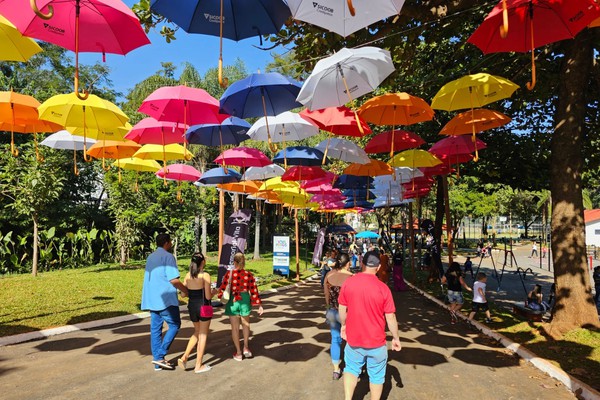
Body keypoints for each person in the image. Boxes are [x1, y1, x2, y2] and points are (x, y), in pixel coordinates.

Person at [338, 251, 402, 400]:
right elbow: (391, 317)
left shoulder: (349, 282)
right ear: (379, 267)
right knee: (377, 377)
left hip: (354, 340)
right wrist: (396, 337)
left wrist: (343, 325)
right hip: (377, 342)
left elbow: (342, 308)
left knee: (351, 369)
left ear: (362, 263)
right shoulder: (383, 288)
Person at [141, 233, 188, 371]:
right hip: (166, 300)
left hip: (153, 298)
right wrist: (186, 290)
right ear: (167, 243)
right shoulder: (168, 257)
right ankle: (160, 356)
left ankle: (158, 362)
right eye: (171, 241)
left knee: (156, 330)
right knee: (175, 325)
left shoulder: (151, 257)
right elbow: (174, 280)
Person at [218, 252, 264, 361]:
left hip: (232, 300)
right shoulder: (249, 274)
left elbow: (223, 287)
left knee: (235, 328)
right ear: (244, 262)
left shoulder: (229, 274)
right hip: (244, 299)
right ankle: (246, 348)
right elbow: (253, 290)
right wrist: (259, 305)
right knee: (246, 324)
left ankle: (238, 353)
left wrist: (220, 296)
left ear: (234, 262)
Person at [178, 253, 217, 373]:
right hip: (204, 307)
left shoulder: (187, 276)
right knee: (203, 335)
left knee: (197, 331)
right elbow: (208, 296)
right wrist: (216, 291)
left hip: (192, 306)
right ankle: (198, 365)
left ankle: (184, 357)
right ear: (203, 262)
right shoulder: (205, 275)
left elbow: (183, 294)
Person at [323, 253, 353, 380]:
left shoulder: (328, 276)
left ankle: (336, 370)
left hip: (332, 312)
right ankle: (352, 368)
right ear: (347, 264)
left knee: (335, 339)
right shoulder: (352, 278)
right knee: (351, 341)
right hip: (348, 313)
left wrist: (329, 307)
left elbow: (326, 297)